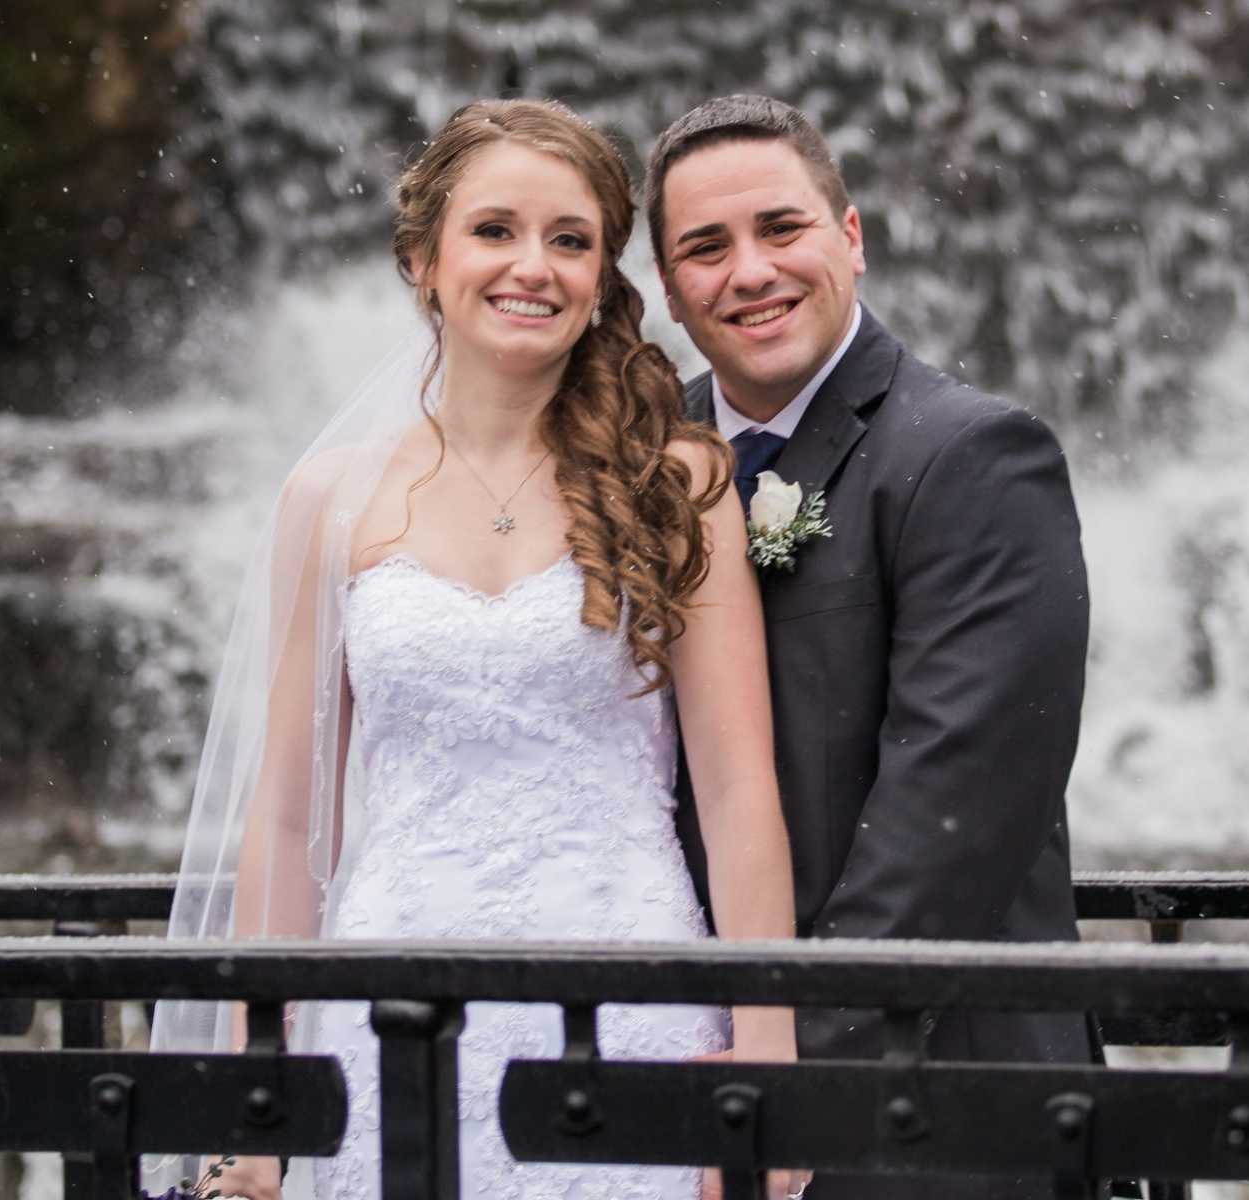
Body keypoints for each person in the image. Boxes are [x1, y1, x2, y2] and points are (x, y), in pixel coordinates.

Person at [149, 99, 802, 1200]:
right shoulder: (330, 500)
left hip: (625, 998)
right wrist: (259, 1096)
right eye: (494, 230)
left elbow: (739, 790)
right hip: (387, 1006)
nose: (532, 268)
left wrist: (771, 1064)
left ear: (602, 275)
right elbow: (290, 813)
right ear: (423, 259)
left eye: (569, 239)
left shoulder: (678, 483)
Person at [648, 95, 1095, 1200]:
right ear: (668, 288)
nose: (748, 271)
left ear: (851, 237)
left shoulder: (972, 457)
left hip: (923, 1105)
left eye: (780, 228)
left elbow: (954, 816)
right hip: (684, 1077)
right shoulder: (641, 465)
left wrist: (796, 1073)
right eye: (705, 247)